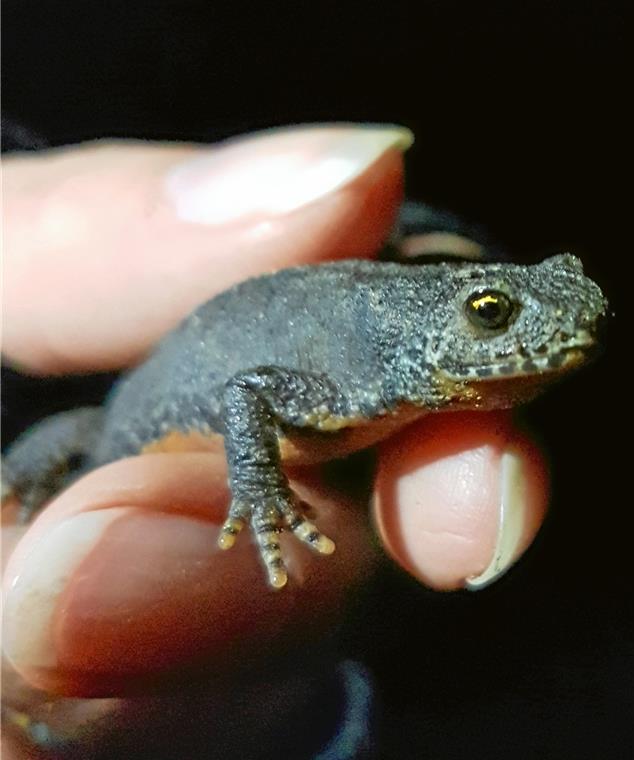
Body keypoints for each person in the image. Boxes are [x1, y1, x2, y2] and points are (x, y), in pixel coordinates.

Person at [1, 124, 550, 758]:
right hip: (108, 433)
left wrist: (421, 233)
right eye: (489, 314)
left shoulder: (388, 378)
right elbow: (249, 392)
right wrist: (261, 492)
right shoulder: (356, 384)